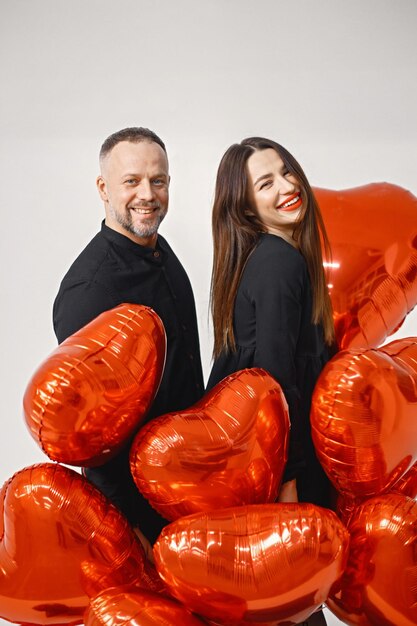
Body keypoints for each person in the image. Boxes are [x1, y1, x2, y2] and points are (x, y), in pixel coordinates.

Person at [53, 127, 204, 551]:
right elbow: (91, 435)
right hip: (141, 514)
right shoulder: (90, 290)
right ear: (103, 188)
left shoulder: (160, 250)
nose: (147, 194)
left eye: (158, 181)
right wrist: (132, 531)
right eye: (132, 181)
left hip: (192, 487)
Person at [207, 137, 335, 626]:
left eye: (287, 172)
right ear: (246, 207)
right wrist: (288, 489)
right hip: (277, 479)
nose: (287, 186)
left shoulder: (264, 259)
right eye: (267, 182)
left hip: (260, 474)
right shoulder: (279, 263)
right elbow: (274, 386)